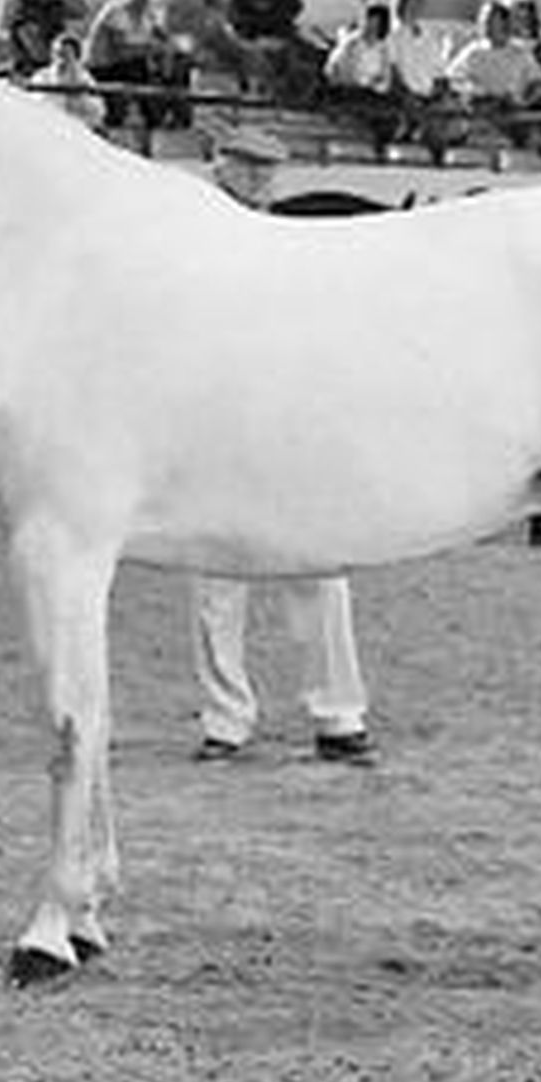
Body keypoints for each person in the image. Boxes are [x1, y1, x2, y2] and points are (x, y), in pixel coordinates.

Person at [191, 124, 377, 766]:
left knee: (319, 572)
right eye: (247, 167)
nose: (259, 179)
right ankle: (226, 719)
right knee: (218, 582)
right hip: (216, 424)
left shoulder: (292, 242)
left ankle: (338, 714)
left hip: (291, 424)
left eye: (266, 170)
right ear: (221, 166)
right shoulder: (193, 238)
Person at [445, 1, 541, 155]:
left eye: (490, 21)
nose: (485, 26)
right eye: (483, 21)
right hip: (480, 107)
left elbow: (539, 82)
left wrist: (526, 98)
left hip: (512, 110)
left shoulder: (520, 54)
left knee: (531, 126)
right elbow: (453, 78)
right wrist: (475, 90)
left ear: (504, 24)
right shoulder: (472, 53)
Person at [85, 0, 187, 131]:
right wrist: (154, 48)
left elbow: (163, 37)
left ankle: (178, 117)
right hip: (104, 68)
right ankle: (152, 117)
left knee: (180, 63)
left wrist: (173, 47)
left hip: (129, 64)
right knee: (140, 68)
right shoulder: (116, 11)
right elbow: (121, 51)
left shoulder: (148, 13)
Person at [386, 0, 465, 161]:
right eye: (408, 3)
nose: (413, 8)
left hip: (431, 97)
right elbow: (393, 71)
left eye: (417, 4)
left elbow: (439, 71)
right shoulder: (392, 37)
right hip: (406, 99)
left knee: (455, 113)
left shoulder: (430, 36)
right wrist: (408, 95)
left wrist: (441, 93)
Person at [322, 1, 402, 152]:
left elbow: (386, 77)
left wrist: (376, 84)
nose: (371, 27)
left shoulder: (384, 48)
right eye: (370, 22)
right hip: (350, 90)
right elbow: (336, 69)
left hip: (374, 92)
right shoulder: (351, 43)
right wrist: (355, 80)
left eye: (376, 24)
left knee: (390, 111)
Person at [5, 0, 88, 79]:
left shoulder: (53, 4)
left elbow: (82, 11)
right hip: (30, 74)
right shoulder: (21, 9)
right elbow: (38, 53)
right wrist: (66, 56)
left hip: (55, 69)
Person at [27, 31, 105, 129]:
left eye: (68, 54)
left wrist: (79, 98)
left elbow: (98, 112)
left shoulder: (85, 79)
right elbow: (34, 104)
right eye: (60, 53)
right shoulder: (42, 77)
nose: (63, 59)